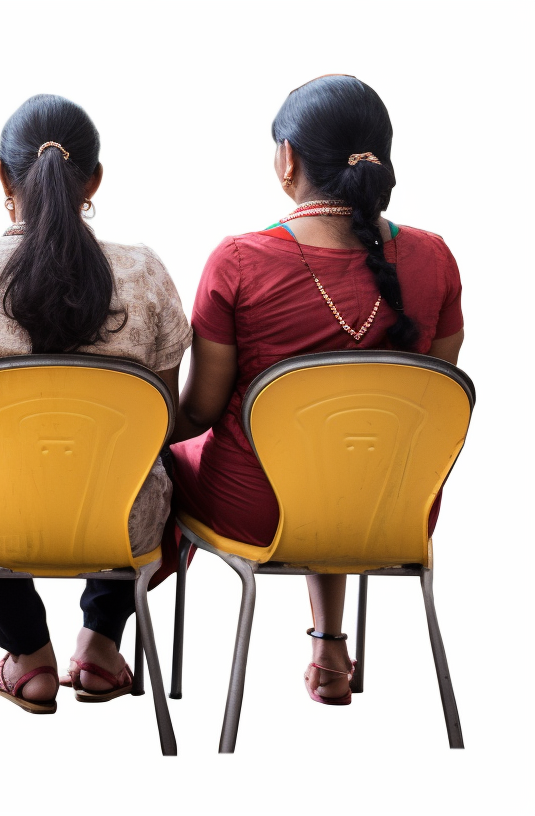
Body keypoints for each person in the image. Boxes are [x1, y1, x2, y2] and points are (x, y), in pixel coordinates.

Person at [170, 75, 464, 706]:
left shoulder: (239, 261)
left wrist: (136, 423)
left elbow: (200, 411)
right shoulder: (435, 258)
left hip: (261, 510)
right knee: (345, 452)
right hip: (394, 510)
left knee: (163, 461)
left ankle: (102, 639)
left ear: (288, 159)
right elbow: (432, 406)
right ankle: (329, 643)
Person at [0, 94, 192, 712]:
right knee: (156, 465)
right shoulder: (146, 275)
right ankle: (100, 642)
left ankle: (27, 655)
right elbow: (163, 426)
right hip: (122, 524)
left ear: (3, 177)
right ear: (94, 179)